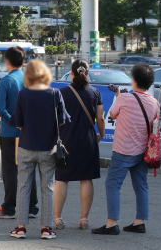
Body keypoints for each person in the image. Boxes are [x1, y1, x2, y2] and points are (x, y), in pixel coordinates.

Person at [92, 64, 159, 236]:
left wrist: (118, 95)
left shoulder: (124, 98)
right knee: (141, 186)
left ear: (134, 81)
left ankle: (112, 223)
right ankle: (140, 222)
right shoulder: (154, 102)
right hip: (143, 151)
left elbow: (113, 115)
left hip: (123, 150)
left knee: (113, 184)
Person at [8, 60, 69, 240]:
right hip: (48, 148)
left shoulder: (23, 94)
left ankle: (20, 228)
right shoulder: (55, 94)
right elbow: (62, 121)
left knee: (23, 187)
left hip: (26, 146)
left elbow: (17, 124)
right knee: (47, 188)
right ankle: (46, 228)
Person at [54, 59, 105, 230]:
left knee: (62, 179)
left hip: (66, 141)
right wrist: (101, 134)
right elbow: (100, 118)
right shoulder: (95, 92)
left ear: (72, 73)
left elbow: (55, 119)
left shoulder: (61, 92)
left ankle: (58, 219)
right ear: (87, 73)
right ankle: (84, 219)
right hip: (88, 141)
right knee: (86, 179)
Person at [0, 46, 39, 220]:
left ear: (7, 61)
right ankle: (32, 206)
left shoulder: (5, 82)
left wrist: (15, 122)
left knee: (10, 169)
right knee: (28, 168)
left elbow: (1, 109)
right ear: (23, 61)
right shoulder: (29, 80)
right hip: (27, 131)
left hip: (10, 131)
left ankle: (9, 207)